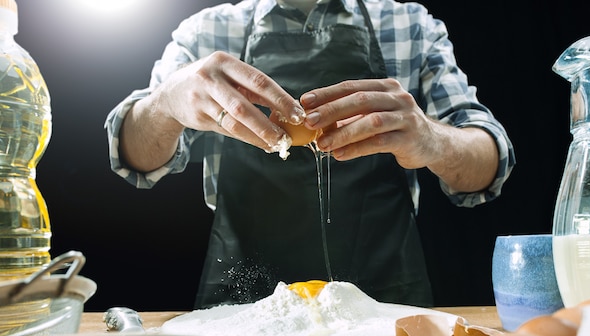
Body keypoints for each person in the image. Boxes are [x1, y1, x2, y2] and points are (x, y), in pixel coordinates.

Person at [105, 0, 515, 309]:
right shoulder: (207, 31)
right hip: (241, 310)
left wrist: (433, 139)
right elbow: (135, 158)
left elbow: (489, 165)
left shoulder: (409, 24)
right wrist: (165, 103)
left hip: (383, 308)